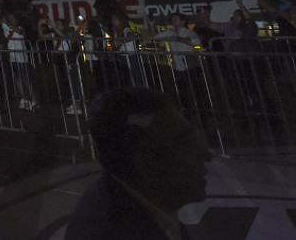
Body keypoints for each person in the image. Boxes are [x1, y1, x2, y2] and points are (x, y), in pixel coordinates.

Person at [65, 87, 212, 240]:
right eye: (186, 141)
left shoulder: (126, 206)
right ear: (146, 162)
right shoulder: (115, 230)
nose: (206, 155)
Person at [1, 12, 37, 111]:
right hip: (13, 58)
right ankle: (24, 99)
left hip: (22, 58)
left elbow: (21, 33)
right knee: (17, 78)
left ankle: (33, 98)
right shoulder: (6, 28)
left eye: (13, 18)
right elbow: (1, 21)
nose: (12, 20)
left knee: (26, 79)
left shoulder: (20, 28)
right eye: (10, 18)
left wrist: (11, 25)